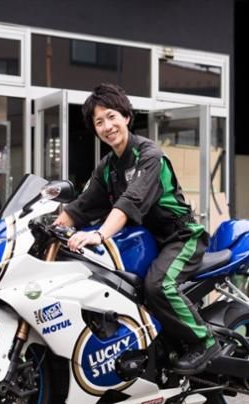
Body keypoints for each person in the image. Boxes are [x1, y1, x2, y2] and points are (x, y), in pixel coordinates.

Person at [54, 84, 220, 374]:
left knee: (158, 286)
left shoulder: (149, 155)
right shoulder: (107, 167)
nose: (107, 126)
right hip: (147, 242)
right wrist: (49, 227)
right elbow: (81, 206)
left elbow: (130, 201)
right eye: (99, 122)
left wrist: (99, 235)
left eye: (111, 116)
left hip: (180, 238)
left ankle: (205, 342)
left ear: (126, 117)